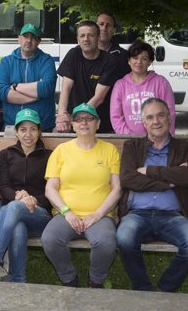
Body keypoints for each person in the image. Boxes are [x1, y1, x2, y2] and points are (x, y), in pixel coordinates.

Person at [116, 98, 188, 292]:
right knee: (124, 238)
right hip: (137, 215)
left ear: (169, 117)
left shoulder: (184, 147)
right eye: (150, 117)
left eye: (160, 115)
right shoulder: (132, 146)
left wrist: (149, 170)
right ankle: (143, 288)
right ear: (143, 122)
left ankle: (165, 288)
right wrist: (169, 181)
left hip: (172, 216)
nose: (156, 121)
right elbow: (128, 179)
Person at [41, 103, 121, 288]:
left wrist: (98, 214)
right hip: (67, 213)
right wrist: (67, 212)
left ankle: (96, 280)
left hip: (100, 215)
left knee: (106, 242)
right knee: (50, 239)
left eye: (89, 118)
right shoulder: (61, 151)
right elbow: (50, 188)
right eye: (78, 119)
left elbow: (116, 189)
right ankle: (68, 278)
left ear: (98, 124)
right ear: (73, 124)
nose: (83, 123)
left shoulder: (110, 150)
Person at [0, 108, 52, 283]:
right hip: (13, 215)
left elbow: (52, 191)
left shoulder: (49, 156)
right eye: (23, 129)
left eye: (33, 129)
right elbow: (4, 186)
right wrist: (20, 197)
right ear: (16, 131)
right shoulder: (6, 155)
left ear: (39, 131)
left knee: (14, 208)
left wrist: (33, 199)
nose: (28, 134)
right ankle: (18, 281)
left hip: (41, 215)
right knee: (17, 226)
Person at [56, 21, 122, 134]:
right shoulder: (73, 54)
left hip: (101, 123)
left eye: (90, 35)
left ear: (98, 37)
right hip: (76, 124)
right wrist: (62, 116)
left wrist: (78, 117)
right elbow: (66, 88)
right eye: (82, 35)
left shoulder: (110, 61)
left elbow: (99, 97)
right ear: (78, 39)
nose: (86, 39)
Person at [0, 24, 56, 131]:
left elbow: (47, 88)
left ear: (39, 41)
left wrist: (15, 86)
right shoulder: (6, 61)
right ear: (19, 39)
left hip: (42, 126)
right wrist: (36, 95)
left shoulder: (47, 60)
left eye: (33, 37)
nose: (29, 40)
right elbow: (0, 91)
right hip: (13, 125)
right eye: (25, 36)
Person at [110, 41, 175, 135]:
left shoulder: (161, 83)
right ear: (129, 61)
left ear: (149, 62)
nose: (139, 62)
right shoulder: (120, 85)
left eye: (144, 59)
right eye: (135, 58)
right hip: (130, 141)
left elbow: (170, 114)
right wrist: (130, 137)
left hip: (157, 140)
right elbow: (116, 117)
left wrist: (162, 138)